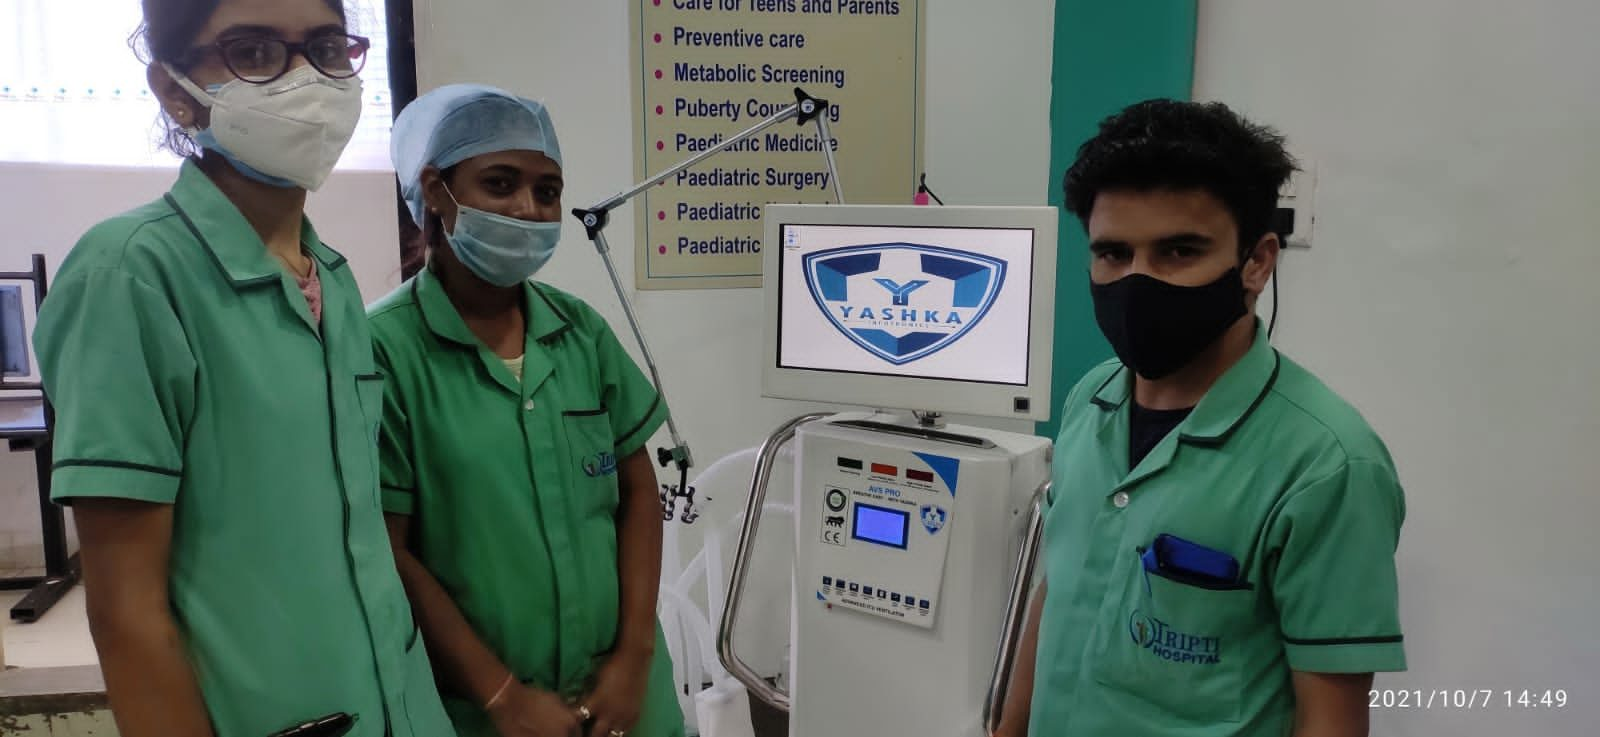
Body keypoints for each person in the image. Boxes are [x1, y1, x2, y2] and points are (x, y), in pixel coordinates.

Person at [31, 1, 453, 735]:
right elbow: (128, 614)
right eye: (253, 52)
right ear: (175, 90)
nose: (305, 79)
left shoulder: (332, 278)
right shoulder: (129, 277)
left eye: (327, 49)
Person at [994, 100, 1406, 737]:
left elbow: (1331, 718)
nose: (1138, 281)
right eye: (1113, 253)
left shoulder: (1327, 466)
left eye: (1179, 251)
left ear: (1256, 262)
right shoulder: (1091, 399)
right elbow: (1061, 588)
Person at [371, 84, 685, 737]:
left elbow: (638, 494)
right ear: (435, 190)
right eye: (500, 183)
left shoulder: (581, 333)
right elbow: (389, 551)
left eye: (547, 191)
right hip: (482, 712)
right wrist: (501, 695)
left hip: (623, 699)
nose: (527, 208)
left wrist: (634, 659)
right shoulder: (384, 350)